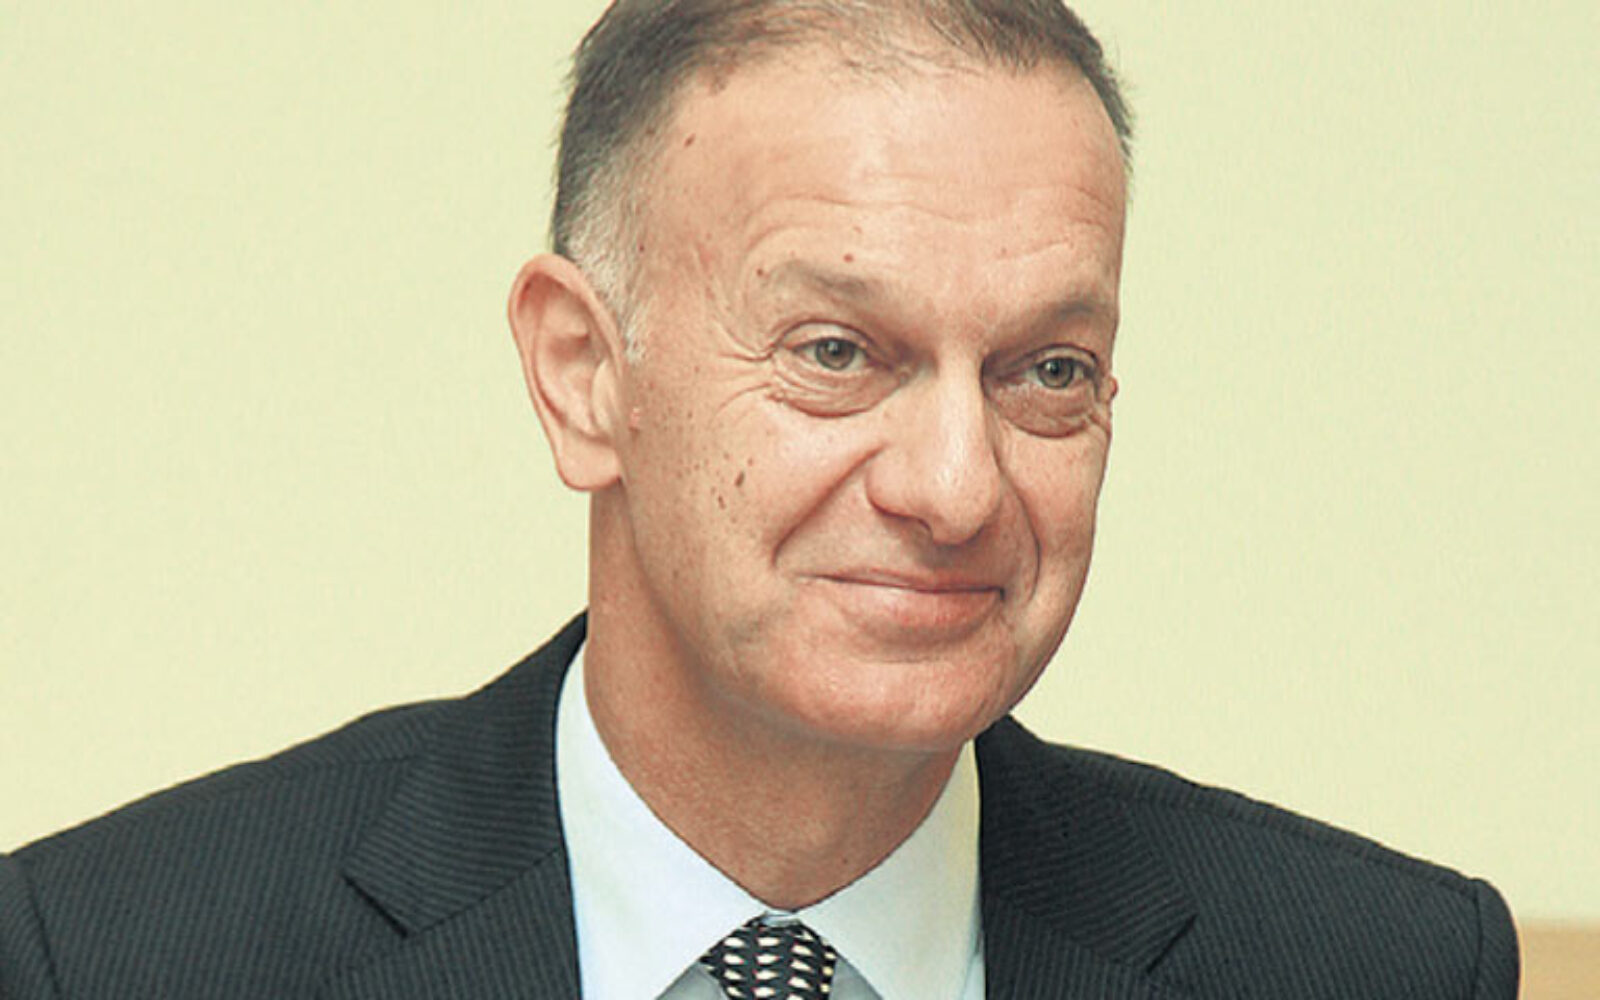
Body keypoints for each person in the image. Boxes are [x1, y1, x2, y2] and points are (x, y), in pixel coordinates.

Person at [0, 1, 1518, 997]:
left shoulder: (1377, 967)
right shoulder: (115, 957)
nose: (954, 487)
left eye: (1047, 370)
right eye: (837, 352)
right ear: (584, 375)